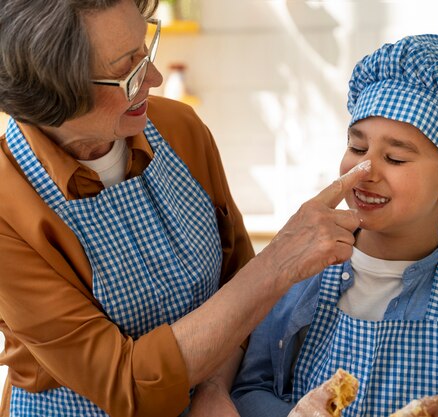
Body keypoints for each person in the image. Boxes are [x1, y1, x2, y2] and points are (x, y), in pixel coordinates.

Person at [0, 0, 369, 416]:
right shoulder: (7, 204)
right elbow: (126, 384)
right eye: (128, 70)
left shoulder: (180, 129)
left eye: (145, 48)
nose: (153, 78)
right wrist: (281, 260)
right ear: (53, 94)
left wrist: (214, 388)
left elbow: (235, 285)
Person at [231, 34, 438, 417]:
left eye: (396, 158)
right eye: (357, 148)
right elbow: (250, 388)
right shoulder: (295, 277)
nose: (364, 170)